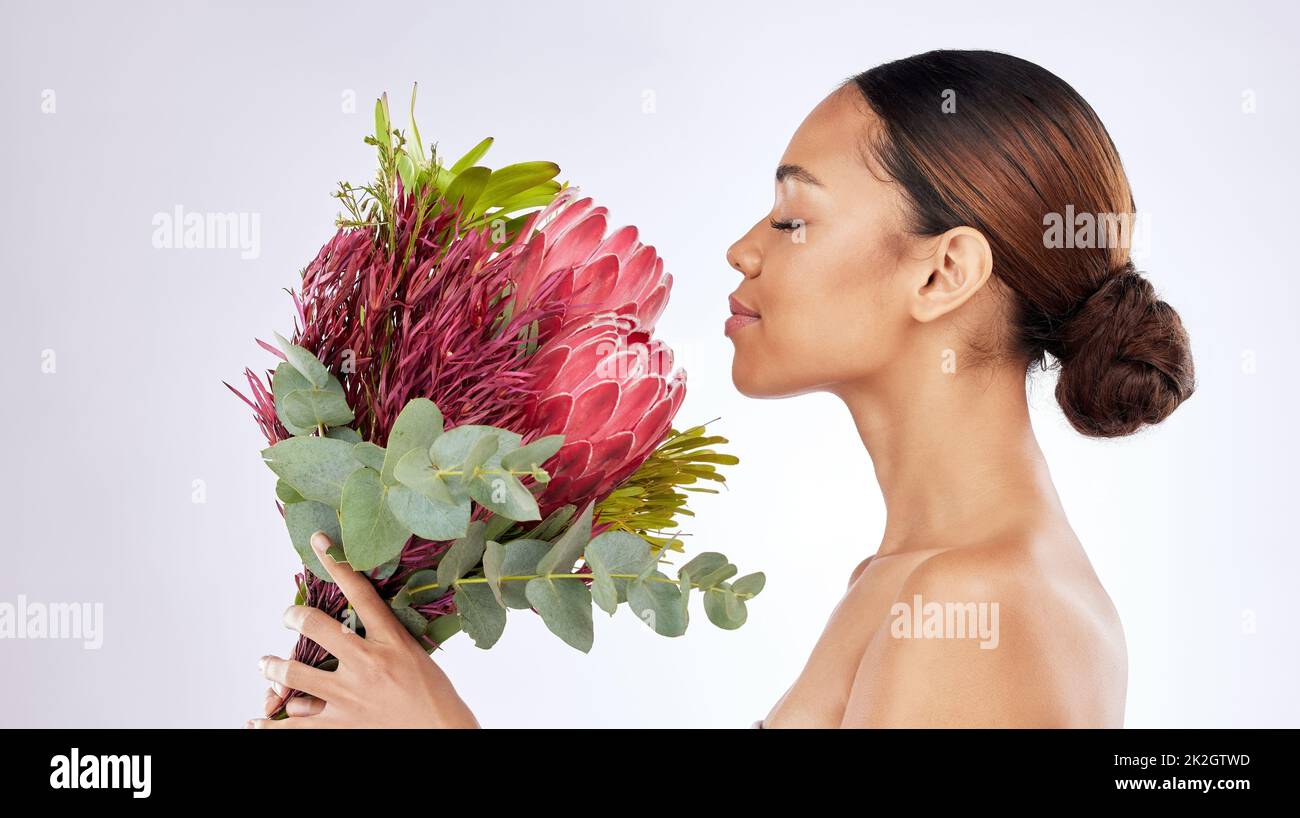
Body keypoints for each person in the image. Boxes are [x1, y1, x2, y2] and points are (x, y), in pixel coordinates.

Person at [247, 50, 1193, 729]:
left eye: (792, 218)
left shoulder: (984, 608)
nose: (743, 248)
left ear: (942, 274)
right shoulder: (912, 579)